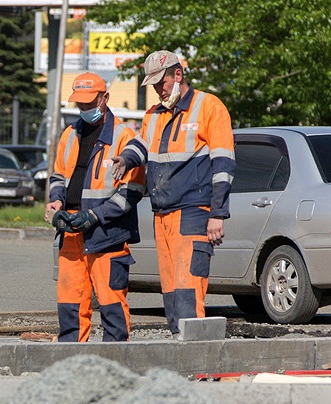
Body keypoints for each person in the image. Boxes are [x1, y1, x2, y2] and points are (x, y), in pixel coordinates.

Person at [111, 50, 235, 335]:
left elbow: (224, 164)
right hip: (162, 214)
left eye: (161, 82)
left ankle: (198, 363)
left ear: (178, 75)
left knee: (189, 289)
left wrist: (217, 214)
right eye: (153, 84)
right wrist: (126, 159)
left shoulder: (208, 106)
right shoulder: (154, 114)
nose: (158, 89)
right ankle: (180, 351)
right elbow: (141, 144)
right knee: (170, 290)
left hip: (193, 211)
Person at [44, 72, 146, 342]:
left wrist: (96, 216)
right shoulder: (70, 134)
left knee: (111, 301)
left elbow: (132, 191)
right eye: (81, 104)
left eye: (90, 103)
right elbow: (58, 177)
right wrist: (56, 200)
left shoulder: (124, 136)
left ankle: (115, 362)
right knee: (70, 300)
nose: (85, 108)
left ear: (105, 98)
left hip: (107, 233)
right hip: (72, 228)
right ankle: (72, 359)